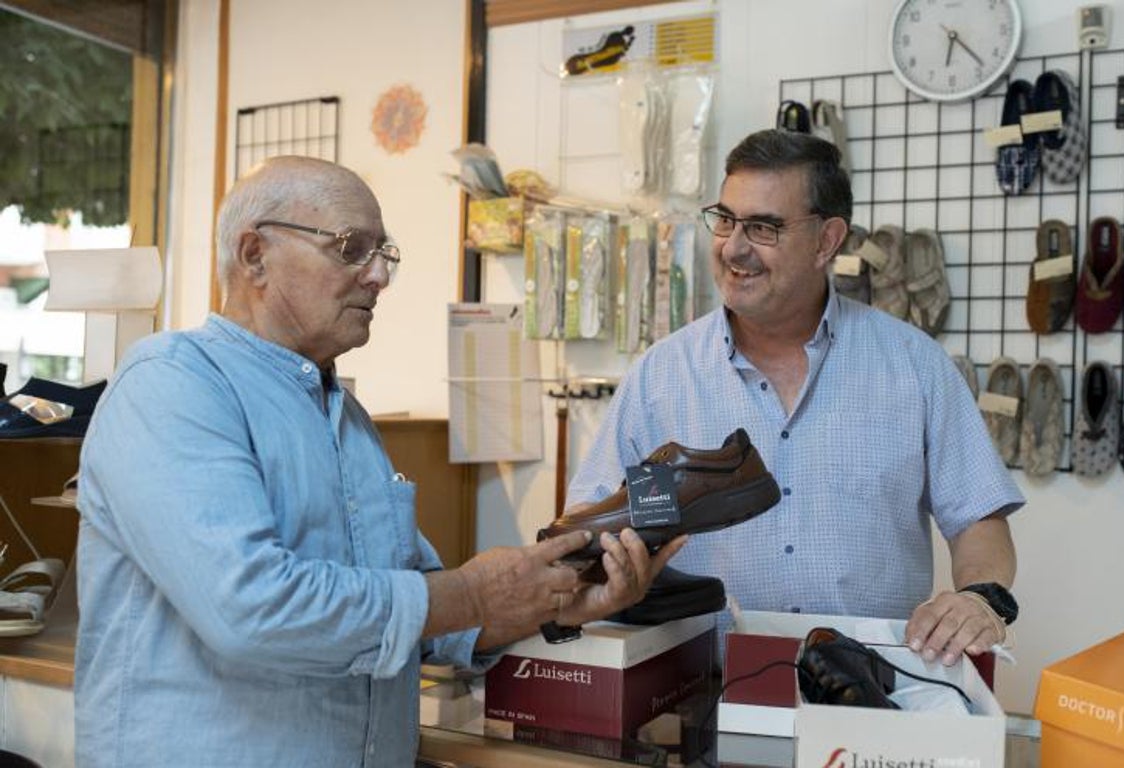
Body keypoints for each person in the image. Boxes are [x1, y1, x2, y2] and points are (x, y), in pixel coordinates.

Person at [74, 156, 681, 767]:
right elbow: (251, 609)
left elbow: (422, 619)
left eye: (384, 253)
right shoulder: (173, 383)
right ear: (254, 253)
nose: (378, 277)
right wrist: (469, 594)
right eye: (351, 248)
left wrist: (553, 600)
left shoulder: (347, 420)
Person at [567, 129, 1023, 668]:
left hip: (869, 694)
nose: (734, 247)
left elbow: (979, 520)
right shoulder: (660, 376)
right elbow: (586, 520)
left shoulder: (914, 365)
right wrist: (606, 568)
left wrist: (978, 598)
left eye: (763, 228)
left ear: (827, 240)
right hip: (700, 690)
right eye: (727, 220)